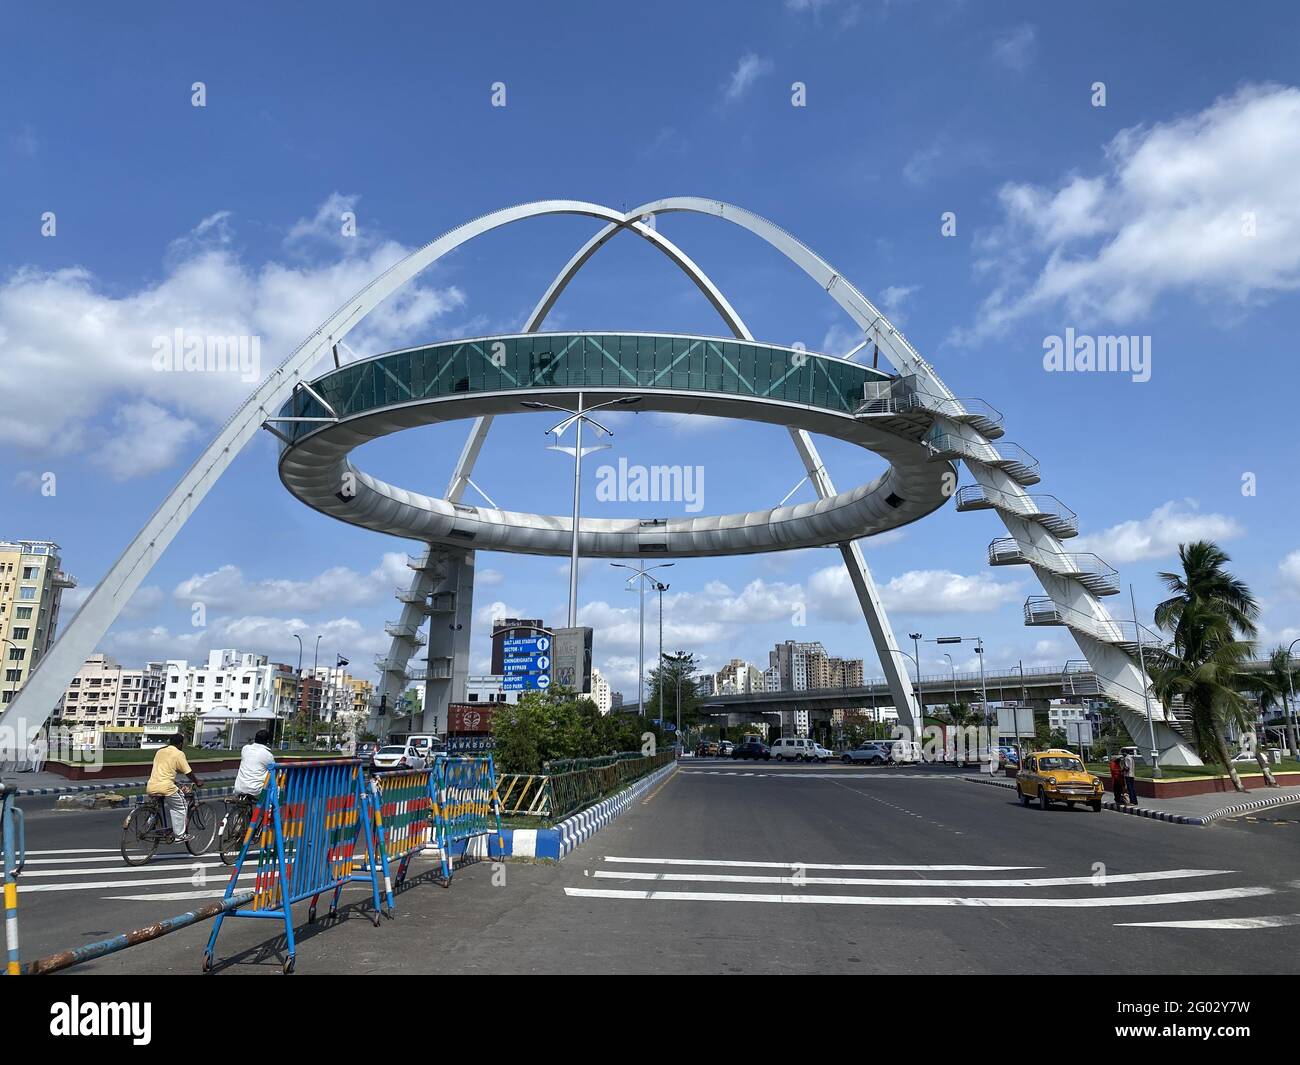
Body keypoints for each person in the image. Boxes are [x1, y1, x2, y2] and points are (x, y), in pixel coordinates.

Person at [146, 734, 202, 841]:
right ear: (180, 744)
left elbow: (164, 769)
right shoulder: (179, 754)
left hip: (151, 785)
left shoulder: (160, 751)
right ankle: (180, 835)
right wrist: (197, 781)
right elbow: (188, 772)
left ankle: (151, 822)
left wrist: (175, 780)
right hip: (166, 787)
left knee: (158, 805)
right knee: (181, 806)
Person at [234, 729, 275, 799]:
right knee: (275, 787)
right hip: (255, 790)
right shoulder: (268, 755)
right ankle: (271, 808)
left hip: (239, 787)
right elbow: (274, 770)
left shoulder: (245, 749)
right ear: (267, 742)